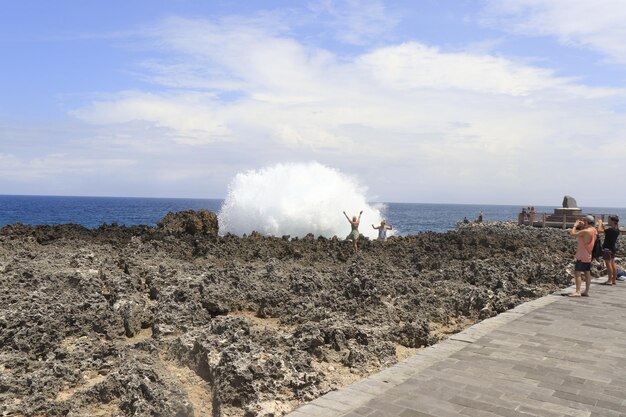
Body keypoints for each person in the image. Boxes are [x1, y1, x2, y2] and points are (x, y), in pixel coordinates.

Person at [569, 215, 598, 297]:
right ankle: (586, 291)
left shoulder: (586, 231)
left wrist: (575, 225)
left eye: (584, 221)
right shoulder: (594, 230)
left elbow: (573, 233)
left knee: (577, 273)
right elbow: (584, 232)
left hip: (582, 255)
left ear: (587, 222)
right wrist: (582, 225)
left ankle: (578, 291)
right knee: (587, 273)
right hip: (588, 255)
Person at [597, 215, 620, 285]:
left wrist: (600, 223)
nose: (608, 221)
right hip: (612, 249)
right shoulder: (616, 230)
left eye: (609, 220)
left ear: (613, 221)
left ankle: (609, 280)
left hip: (607, 249)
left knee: (608, 264)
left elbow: (599, 231)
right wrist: (604, 225)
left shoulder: (610, 230)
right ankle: (613, 280)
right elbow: (605, 232)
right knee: (613, 264)